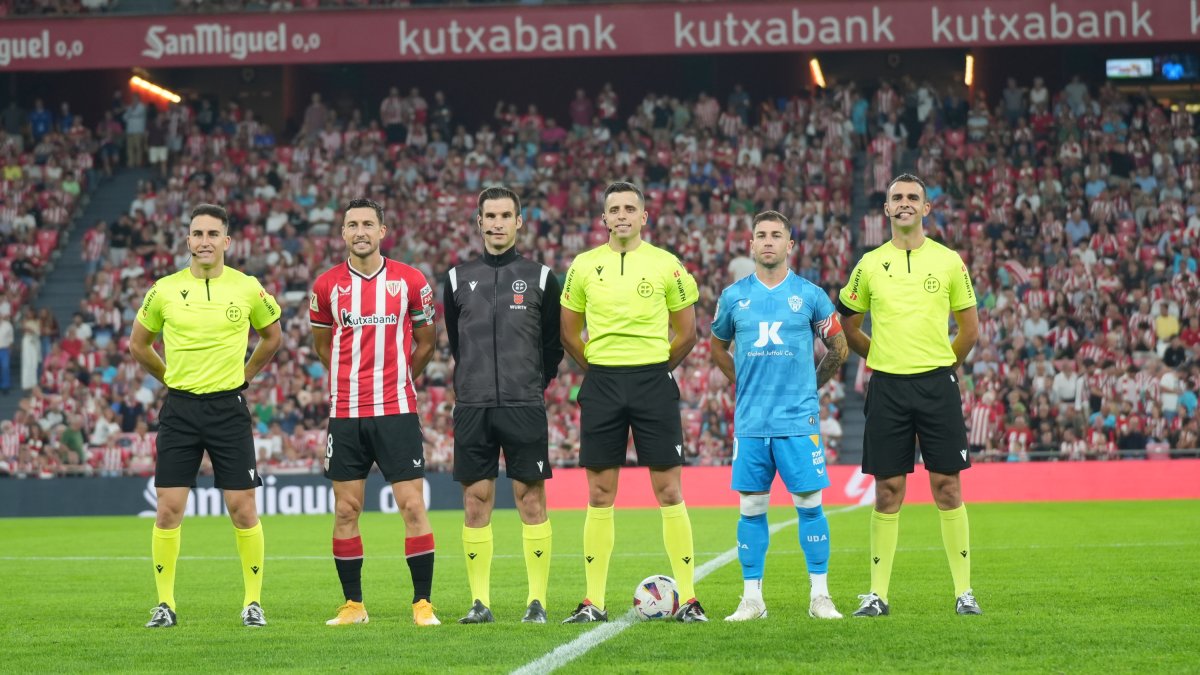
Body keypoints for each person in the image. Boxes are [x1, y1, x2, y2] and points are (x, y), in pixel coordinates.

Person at [559, 181, 706, 623]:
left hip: (652, 382)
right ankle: (593, 602)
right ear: (603, 219)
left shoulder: (667, 264)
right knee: (600, 494)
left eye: (630, 208)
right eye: (613, 209)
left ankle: (691, 599)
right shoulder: (583, 266)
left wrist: (657, 369)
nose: (621, 215)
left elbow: (687, 332)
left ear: (644, 216)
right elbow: (569, 331)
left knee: (668, 490)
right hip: (603, 383)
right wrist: (599, 369)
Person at [129, 203, 282, 628]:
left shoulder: (248, 288)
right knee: (168, 510)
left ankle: (252, 603)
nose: (204, 241)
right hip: (179, 408)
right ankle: (165, 604)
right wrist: (168, 377)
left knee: (242, 509)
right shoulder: (163, 290)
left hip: (228, 408)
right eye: (197, 234)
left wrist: (245, 374)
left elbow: (272, 336)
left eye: (213, 234)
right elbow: (138, 345)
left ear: (226, 241)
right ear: (188, 240)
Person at [836, 173, 982, 617]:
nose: (904, 203)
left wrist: (943, 364)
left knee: (947, 487)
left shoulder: (949, 261)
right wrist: (877, 355)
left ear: (926, 208)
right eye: (896, 197)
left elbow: (970, 328)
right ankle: (878, 594)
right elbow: (849, 324)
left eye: (912, 198)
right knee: (888, 491)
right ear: (885, 209)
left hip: (937, 384)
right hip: (888, 386)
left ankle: (964, 592)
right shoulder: (869, 263)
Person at [710, 210, 849, 621]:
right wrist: (744, 382)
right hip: (752, 422)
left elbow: (839, 349)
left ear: (791, 245)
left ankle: (820, 596)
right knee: (751, 507)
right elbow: (718, 347)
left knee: (809, 502)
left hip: (796, 420)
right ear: (751, 244)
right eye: (760, 235)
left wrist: (810, 388)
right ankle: (752, 599)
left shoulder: (810, 295)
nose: (767, 241)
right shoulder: (734, 297)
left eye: (776, 235)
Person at [309, 198, 441, 627]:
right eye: (352, 225)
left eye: (368, 223)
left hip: (396, 410)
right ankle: (353, 605)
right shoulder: (326, 286)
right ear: (343, 233)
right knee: (346, 510)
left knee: (412, 506)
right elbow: (323, 346)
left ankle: (422, 603)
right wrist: (350, 380)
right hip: (346, 412)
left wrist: (400, 377)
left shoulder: (410, 280)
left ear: (383, 230)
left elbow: (426, 342)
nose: (360, 231)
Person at [443, 186, 564, 624]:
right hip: (473, 405)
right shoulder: (457, 278)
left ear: (518, 222)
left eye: (504, 216)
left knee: (530, 498)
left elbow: (552, 344)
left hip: (523, 403)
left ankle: (536, 601)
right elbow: (458, 342)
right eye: (488, 216)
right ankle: (480, 602)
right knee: (476, 501)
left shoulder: (542, 277)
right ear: (479, 222)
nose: (496, 223)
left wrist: (533, 382)